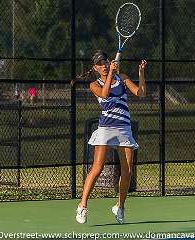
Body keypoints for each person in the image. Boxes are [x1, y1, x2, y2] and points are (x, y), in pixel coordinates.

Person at [76, 50, 147, 224]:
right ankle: (82, 206)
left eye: (105, 62)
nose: (104, 65)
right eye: (100, 64)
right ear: (95, 68)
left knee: (127, 171)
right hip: (106, 128)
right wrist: (111, 75)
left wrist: (141, 73)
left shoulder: (122, 78)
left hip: (124, 128)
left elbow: (141, 93)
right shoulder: (94, 84)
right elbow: (105, 94)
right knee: (97, 168)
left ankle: (120, 207)